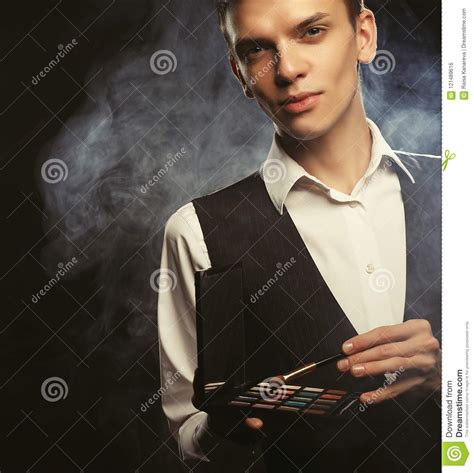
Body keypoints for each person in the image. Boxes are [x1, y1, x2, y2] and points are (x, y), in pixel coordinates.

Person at [157, 0, 441, 471]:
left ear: (364, 36)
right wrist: (224, 425)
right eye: (256, 50)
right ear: (239, 73)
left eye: (311, 32)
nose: (286, 69)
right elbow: (192, 442)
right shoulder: (200, 233)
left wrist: (452, 380)